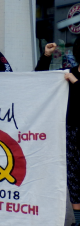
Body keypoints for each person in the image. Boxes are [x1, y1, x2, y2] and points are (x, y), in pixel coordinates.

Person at [35, 39, 80, 226]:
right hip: (69, 131)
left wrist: (75, 82)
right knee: (73, 177)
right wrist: (46, 56)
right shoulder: (68, 72)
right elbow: (40, 79)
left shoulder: (72, 76)